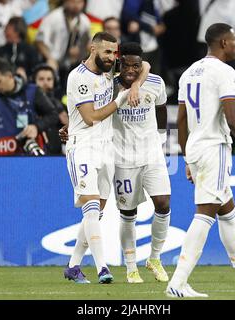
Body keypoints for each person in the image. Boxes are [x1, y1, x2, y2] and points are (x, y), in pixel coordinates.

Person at [168, 23, 235, 298]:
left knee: (227, 212)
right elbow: (233, 118)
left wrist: (187, 157)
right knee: (205, 214)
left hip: (196, 148)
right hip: (214, 148)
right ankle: (177, 283)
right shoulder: (225, 72)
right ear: (224, 43)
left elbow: (181, 120)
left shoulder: (189, 72)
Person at [63, 32, 148, 284]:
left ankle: (73, 266)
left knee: (95, 213)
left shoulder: (108, 74)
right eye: (107, 52)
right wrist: (122, 98)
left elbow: (146, 66)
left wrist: (134, 85)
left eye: (115, 53)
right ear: (93, 49)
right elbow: (91, 118)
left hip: (106, 148)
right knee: (90, 208)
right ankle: (103, 268)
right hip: (83, 147)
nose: (112, 57)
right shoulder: (79, 78)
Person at [111, 42, 171, 284]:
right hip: (122, 158)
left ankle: (155, 258)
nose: (132, 70)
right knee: (128, 213)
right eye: (127, 65)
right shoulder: (109, 86)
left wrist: (162, 137)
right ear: (119, 63)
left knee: (163, 203)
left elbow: (162, 109)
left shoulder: (155, 82)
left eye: (136, 66)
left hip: (152, 155)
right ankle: (131, 265)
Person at [0, 58, 59, 155]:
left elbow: (53, 115)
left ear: (10, 76)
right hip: (2, 160)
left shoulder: (32, 91)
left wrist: (36, 127)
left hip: (28, 156)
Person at [33, 63, 68, 155]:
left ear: (54, 81)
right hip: (35, 153)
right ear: (34, 82)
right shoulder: (29, 104)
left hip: (57, 154)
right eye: (41, 79)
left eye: (49, 79)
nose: (45, 82)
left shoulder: (61, 105)